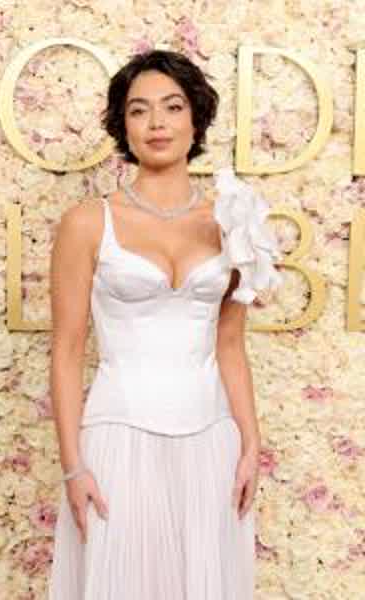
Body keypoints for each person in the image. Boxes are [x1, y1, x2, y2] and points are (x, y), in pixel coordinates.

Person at [47, 49, 283, 599]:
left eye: (173, 107)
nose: (157, 122)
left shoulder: (232, 220)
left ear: (196, 120)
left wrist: (250, 445)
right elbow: (67, 351)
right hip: (116, 438)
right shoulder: (88, 222)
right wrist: (73, 467)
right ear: (122, 125)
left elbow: (230, 346)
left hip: (212, 441)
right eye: (139, 110)